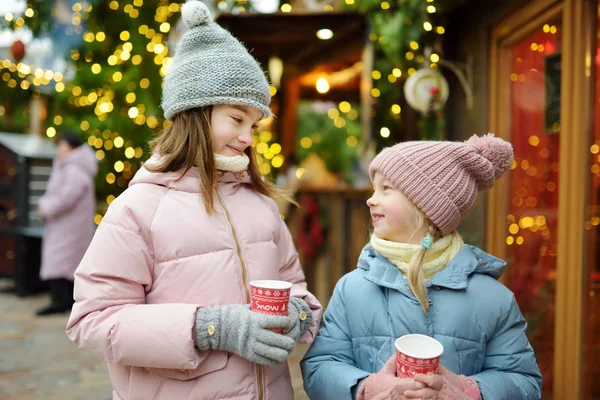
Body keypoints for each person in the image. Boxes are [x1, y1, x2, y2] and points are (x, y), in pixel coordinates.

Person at [65, 1, 322, 399]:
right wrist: (209, 327)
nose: (249, 138)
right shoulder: (138, 210)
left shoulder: (262, 206)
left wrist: (300, 312)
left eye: (254, 125)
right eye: (237, 120)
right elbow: (92, 320)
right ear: (195, 114)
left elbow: (293, 286)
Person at [301, 134, 542, 400]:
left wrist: (468, 391)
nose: (371, 199)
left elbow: (524, 383)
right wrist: (364, 387)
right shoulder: (352, 289)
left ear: (426, 206)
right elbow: (318, 368)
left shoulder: (492, 298)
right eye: (373, 188)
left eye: (386, 188)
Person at [37, 132, 97, 316]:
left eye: (61, 145)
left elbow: (66, 197)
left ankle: (61, 301)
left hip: (69, 226)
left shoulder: (74, 169)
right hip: (66, 225)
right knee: (65, 262)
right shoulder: (70, 166)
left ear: (71, 146)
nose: (58, 149)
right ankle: (63, 300)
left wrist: (45, 208)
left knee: (63, 260)